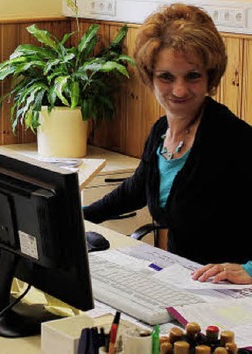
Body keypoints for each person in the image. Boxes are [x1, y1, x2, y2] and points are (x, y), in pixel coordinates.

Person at [82, 3, 252, 285]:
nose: (179, 90)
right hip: (182, 279)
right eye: (166, 77)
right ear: (150, 76)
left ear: (211, 76)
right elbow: (136, 189)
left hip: (229, 295)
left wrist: (250, 270)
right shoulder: (162, 131)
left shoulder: (234, 139)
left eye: (193, 76)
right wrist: (78, 218)